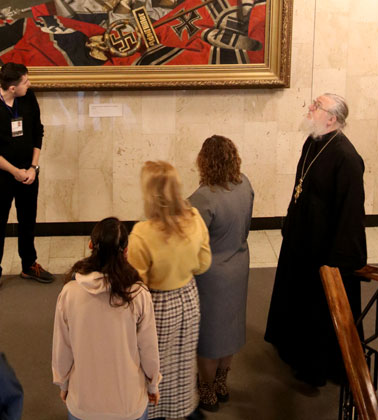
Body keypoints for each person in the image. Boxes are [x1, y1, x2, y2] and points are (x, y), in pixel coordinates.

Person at [265, 93, 367, 387]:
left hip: (323, 251)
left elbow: (350, 214)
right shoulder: (313, 141)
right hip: (301, 240)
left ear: (332, 118)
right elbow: (300, 186)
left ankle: (314, 366)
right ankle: (290, 348)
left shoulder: (347, 159)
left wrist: (337, 262)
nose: (310, 108)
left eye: (316, 106)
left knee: (316, 310)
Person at [52, 216, 161, 420]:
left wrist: (64, 385)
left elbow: (62, 349)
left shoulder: (69, 293)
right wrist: (153, 385)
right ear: (126, 251)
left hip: (83, 403)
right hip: (129, 404)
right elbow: (149, 349)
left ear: (91, 245)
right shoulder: (138, 294)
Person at [127, 161, 212, 420]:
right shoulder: (195, 218)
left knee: (152, 363)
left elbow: (136, 284)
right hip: (188, 299)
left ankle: (154, 412)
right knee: (183, 362)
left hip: (156, 305)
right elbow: (204, 264)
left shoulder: (141, 234)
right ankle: (184, 408)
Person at [0, 61, 54, 301]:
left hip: (29, 174)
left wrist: (33, 168)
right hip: (2, 177)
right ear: (12, 87)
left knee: (28, 220)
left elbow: (38, 132)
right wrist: (14, 172)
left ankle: (29, 264)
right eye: (25, 82)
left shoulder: (28, 98)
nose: (29, 84)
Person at [189, 135, 254, 412]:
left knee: (209, 336)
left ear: (204, 162)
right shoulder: (245, 184)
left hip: (211, 276)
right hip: (238, 265)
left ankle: (206, 389)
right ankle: (221, 383)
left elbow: (190, 243)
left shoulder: (202, 199)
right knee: (229, 329)